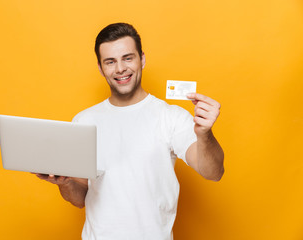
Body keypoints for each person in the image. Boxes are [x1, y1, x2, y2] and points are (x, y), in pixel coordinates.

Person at [34, 23, 224, 240]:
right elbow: (80, 198)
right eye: (110, 62)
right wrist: (65, 182)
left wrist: (205, 133)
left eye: (127, 58)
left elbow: (213, 172)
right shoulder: (84, 120)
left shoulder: (170, 116)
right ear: (100, 67)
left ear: (142, 59)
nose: (120, 69)